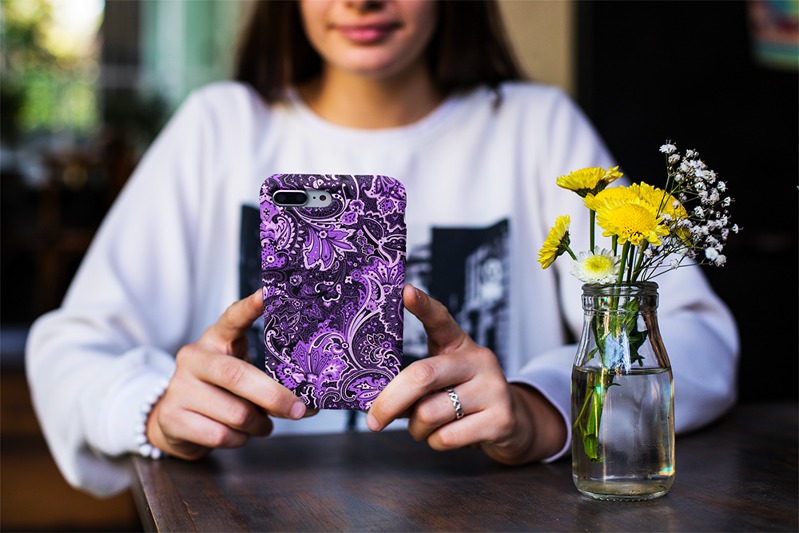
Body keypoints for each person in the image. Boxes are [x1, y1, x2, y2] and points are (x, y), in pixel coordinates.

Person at [26, 0, 739, 497]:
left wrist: (540, 405)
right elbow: (70, 347)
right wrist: (154, 409)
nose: (361, 1)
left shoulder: (536, 126)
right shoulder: (219, 127)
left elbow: (694, 336)